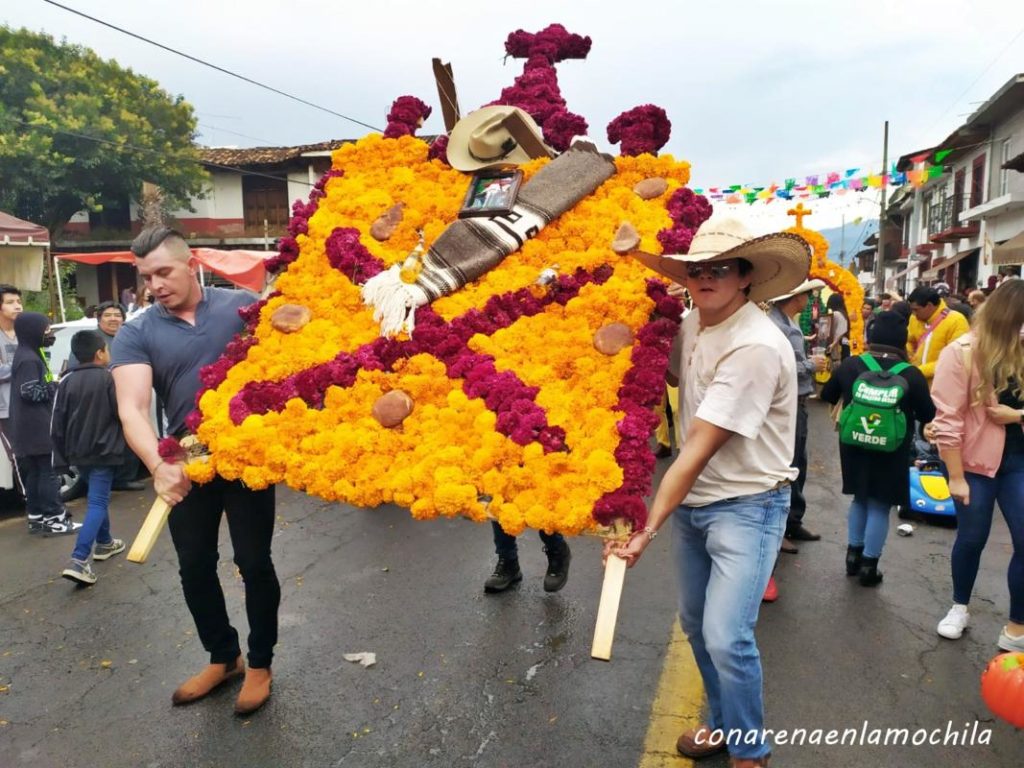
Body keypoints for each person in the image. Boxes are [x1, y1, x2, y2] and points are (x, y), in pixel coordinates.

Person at [607, 217, 809, 768]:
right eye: (697, 270)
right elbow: (665, 379)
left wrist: (646, 528)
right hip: (696, 506)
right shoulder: (693, 323)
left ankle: (750, 751)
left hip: (749, 505)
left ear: (746, 277)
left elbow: (693, 451)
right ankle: (723, 724)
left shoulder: (757, 346)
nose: (706, 278)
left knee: (726, 635)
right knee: (697, 626)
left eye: (721, 268)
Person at [111, 226, 279, 715]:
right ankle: (224, 657)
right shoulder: (136, 331)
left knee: (254, 561)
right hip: (184, 462)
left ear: (192, 264)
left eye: (164, 271)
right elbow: (132, 408)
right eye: (146, 276)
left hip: (248, 459)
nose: (156, 284)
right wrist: (158, 465)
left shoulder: (242, 308)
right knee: (194, 567)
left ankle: (262, 663)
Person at [930, 279, 1024, 651]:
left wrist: (1017, 414)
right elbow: (947, 419)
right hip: (973, 463)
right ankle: (960, 606)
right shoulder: (963, 352)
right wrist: (956, 477)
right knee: (971, 538)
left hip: (1018, 461)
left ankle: (1017, 625)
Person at [820, 312, 935, 586]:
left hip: (854, 444)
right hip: (892, 449)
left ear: (871, 337)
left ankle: (852, 556)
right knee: (880, 504)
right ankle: (869, 566)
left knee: (859, 499)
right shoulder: (910, 374)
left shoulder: (851, 365)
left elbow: (827, 395)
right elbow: (928, 413)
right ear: (901, 341)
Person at [52, 330, 127, 585]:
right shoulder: (109, 379)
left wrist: (60, 459)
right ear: (99, 353)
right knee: (97, 502)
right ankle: (79, 560)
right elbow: (121, 414)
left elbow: (57, 422)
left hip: (78, 453)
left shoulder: (66, 381)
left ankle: (105, 543)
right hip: (104, 452)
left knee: (97, 497)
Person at [768, 278, 828, 557]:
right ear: (796, 298)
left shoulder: (785, 323)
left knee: (797, 462)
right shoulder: (777, 327)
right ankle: (779, 528)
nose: (809, 300)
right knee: (787, 464)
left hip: (797, 400)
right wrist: (810, 364)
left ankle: (792, 521)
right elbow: (782, 365)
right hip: (789, 402)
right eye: (807, 295)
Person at [9, 312, 81, 535]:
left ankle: (37, 517)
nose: (49, 334)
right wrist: (54, 387)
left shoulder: (28, 353)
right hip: (38, 426)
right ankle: (55, 518)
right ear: (33, 331)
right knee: (48, 473)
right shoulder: (29, 358)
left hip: (26, 427)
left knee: (36, 473)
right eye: (46, 330)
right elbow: (29, 391)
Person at [906, 285, 969, 385]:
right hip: (916, 382)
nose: (913, 314)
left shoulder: (956, 321)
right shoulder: (914, 319)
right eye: (912, 310)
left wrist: (920, 371)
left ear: (929, 305)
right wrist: (908, 354)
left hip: (941, 385)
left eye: (916, 310)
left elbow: (956, 359)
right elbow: (909, 341)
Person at [0, 284, 23, 478]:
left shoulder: (25, 333)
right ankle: (30, 501)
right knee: (17, 456)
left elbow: (43, 365)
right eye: (10, 302)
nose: (17, 306)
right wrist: (23, 365)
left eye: (18, 301)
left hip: (30, 404)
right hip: (5, 408)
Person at [825, 293, 850, 364]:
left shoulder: (836, 314)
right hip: (845, 344)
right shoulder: (844, 313)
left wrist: (832, 344)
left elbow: (840, 332)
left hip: (838, 345)